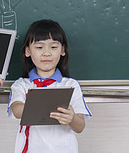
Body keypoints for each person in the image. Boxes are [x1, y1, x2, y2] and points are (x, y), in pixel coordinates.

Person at [8, 19, 92, 153]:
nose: (46, 53)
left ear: (62, 50)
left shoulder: (70, 85)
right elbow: (17, 110)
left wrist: (71, 118)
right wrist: (40, 102)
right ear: (28, 51)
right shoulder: (22, 84)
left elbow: (80, 126)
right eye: (39, 47)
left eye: (53, 47)